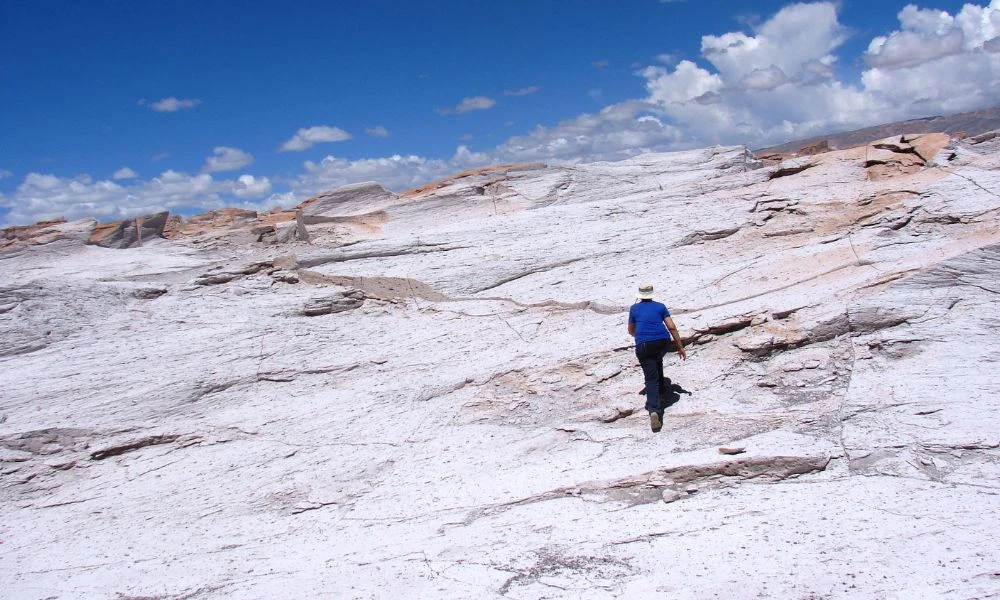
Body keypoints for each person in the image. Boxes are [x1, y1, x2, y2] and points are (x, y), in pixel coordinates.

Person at [627, 282, 687, 432]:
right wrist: (680, 346)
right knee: (657, 359)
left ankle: (654, 410)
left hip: (644, 345)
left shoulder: (634, 309)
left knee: (650, 378)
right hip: (663, 342)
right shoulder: (660, 306)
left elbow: (631, 330)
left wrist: (641, 337)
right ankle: (662, 392)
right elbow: (671, 326)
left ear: (639, 295)